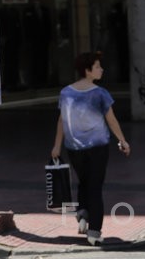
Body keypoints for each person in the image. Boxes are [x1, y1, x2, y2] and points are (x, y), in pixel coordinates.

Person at [51, 52, 130, 246]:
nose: (101, 69)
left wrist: (57, 146)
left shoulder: (66, 93)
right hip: (98, 147)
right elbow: (111, 120)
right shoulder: (100, 94)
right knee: (95, 187)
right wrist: (123, 140)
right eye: (97, 66)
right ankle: (94, 231)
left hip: (73, 148)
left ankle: (83, 214)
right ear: (87, 71)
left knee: (84, 182)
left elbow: (62, 120)